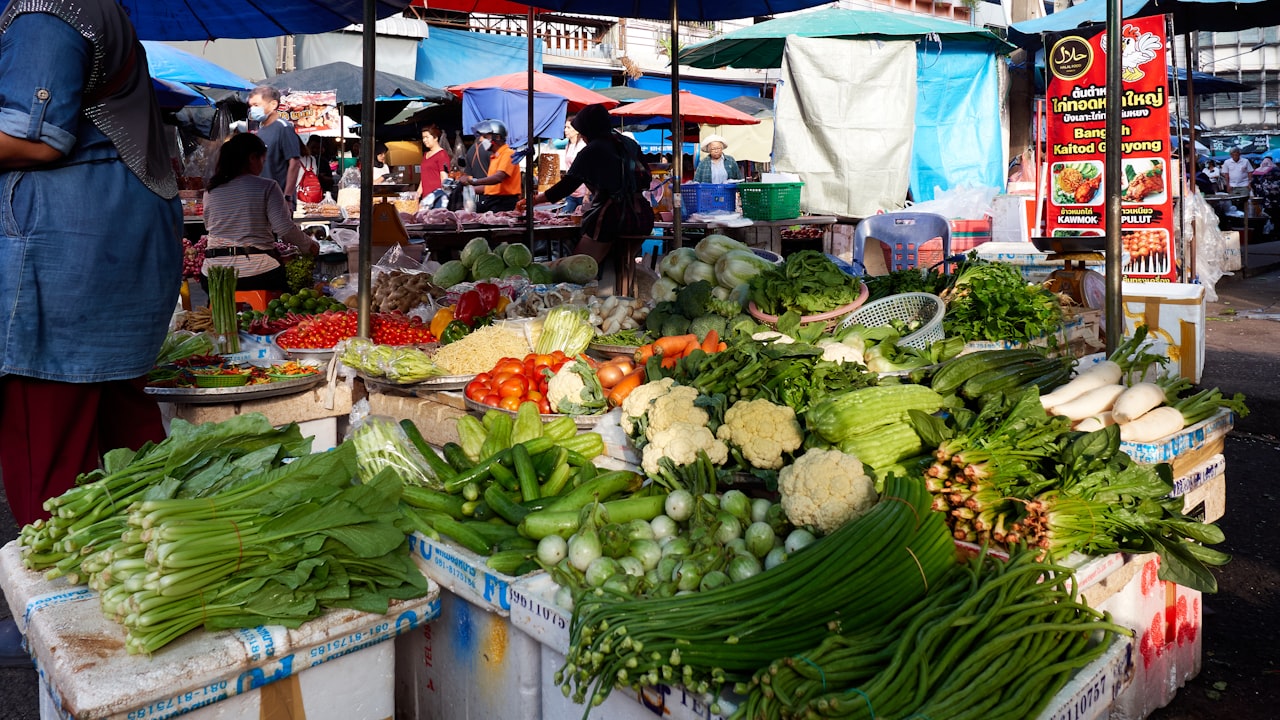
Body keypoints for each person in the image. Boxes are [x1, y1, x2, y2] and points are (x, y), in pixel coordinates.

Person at [0, 0, 182, 664]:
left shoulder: (45, 11)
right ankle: (125, 609)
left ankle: (54, 625)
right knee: (121, 450)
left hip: (70, 264)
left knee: (47, 451)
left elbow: (35, 136)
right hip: (108, 256)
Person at [523, 104, 653, 293]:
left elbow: (566, 186)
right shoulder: (628, 143)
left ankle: (572, 307)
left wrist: (533, 200)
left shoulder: (593, 149)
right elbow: (646, 177)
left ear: (588, 129)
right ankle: (625, 303)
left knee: (578, 268)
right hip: (641, 215)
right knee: (623, 267)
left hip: (614, 215)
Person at [201, 133, 318, 293]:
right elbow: (284, 230)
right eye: (263, 160)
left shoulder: (211, 190)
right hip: (257, 273)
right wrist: (309, 245)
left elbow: (209, 226)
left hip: (212, 274)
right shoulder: (267, 186)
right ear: (252, 158)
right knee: (293, 292)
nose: (263, 166)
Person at [248, 85, 303, 208]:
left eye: (256, 105)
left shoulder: (284, 128)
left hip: (279, 201)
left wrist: (287, 197)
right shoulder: (261, 130)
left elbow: (294, 163)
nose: (252, 109)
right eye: (251, 106)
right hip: (262, 199)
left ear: (273, 104)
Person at [460, 119, 521, 212]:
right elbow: (491, 188)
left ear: (497, 137)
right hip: (492, 200)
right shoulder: (494, 156)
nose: (482, 140)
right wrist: (469, 189)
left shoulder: (508, 153)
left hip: (504, 203)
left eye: (485, 137)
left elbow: (498, 178)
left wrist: (473, 181)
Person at [560, 115, 588, 215]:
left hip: (583, 192)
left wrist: (587, 194)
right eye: (565, 127)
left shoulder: (583, 145)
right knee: (564, 216)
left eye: (568, 127)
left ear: (577, 130)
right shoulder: (568, 145)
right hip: (571, 192)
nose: (565, 130)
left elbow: (588, 170)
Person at [419, 124, 452, 208]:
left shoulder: (442, 154)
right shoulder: (426, 154)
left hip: (436, 198)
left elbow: (444, 178)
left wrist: (443, 198)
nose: (424, 140)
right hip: (425, 198)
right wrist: (418, 193)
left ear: (435, 138)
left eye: (427, 137)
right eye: (423, 137)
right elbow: (424, 177)